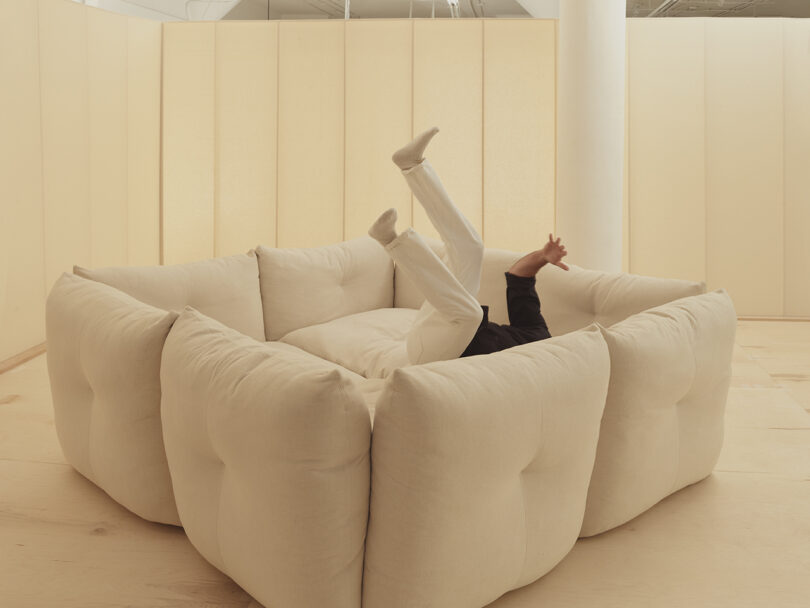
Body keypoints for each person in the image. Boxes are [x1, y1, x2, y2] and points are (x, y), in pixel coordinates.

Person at [368, 127, 569, 365]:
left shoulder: (531, 371)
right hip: (440, 331)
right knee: (471, 247)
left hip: (434, 356)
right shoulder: (538, 334)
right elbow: (519, 278)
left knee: (471, 314)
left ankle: (391, 240)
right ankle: (412, 166)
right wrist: (543, 256)